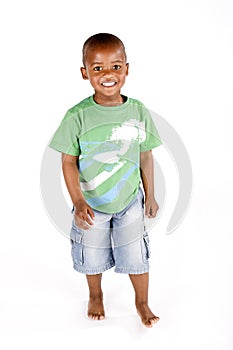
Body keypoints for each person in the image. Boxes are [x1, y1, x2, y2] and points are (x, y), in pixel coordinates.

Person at [49, 33, 162, 328]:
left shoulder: (137, 110)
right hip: (91, 203)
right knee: (93, 253)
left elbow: (146, 154)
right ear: (85, 73)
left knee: (136, 253)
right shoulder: (78, 116)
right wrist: (78, 200)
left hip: (129, 202)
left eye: (115, 66)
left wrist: (150, 195)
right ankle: (96, 294)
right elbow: (68, 161)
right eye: (97, 68)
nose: (108, 74)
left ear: (126, 68)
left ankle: (142, 302)